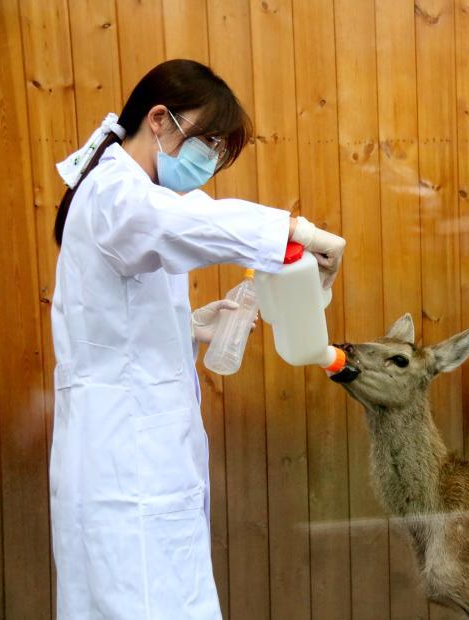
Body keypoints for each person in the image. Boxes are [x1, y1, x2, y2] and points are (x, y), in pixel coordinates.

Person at [50, 59, 345, 618]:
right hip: (124, 462)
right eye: (208, 142)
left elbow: (112, 323)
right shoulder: (116, 193)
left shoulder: (132, 194)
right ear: (159, 119)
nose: (209, 160)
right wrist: (293, 232)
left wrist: (185, 329)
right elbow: (183, 222)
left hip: (138, 445)